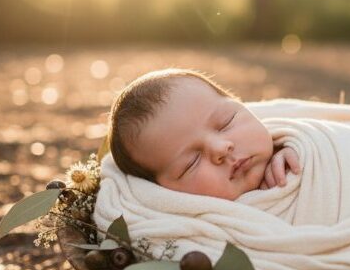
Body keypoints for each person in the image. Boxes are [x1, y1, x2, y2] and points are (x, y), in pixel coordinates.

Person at [108, 68, 301, 201]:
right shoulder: (196, 235)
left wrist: (297, 150)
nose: (221, 148)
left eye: (226, 122)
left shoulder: (297, 145)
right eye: (191, 162)